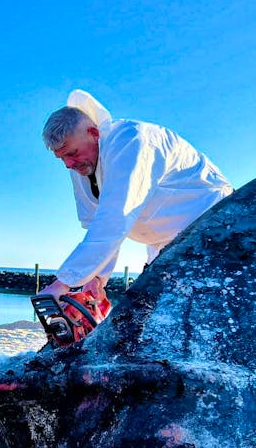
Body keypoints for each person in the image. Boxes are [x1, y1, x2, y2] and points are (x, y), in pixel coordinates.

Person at [39, 89, 232, 301]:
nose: (68, 164)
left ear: (93, 133)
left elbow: (115, 217)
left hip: (213, 224)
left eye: (72, 153)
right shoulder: (82, 165)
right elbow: (97, 225)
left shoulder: (130, 141)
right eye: (62, 158)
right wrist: (96, 279)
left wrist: (63, 282)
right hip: (164, 243)